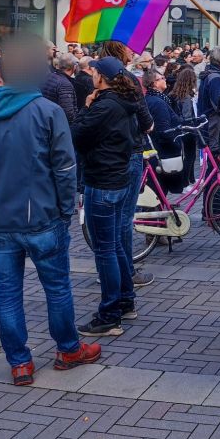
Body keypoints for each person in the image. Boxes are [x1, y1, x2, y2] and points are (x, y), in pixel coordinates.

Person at [0, 35, 99, 386]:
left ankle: (20, 362)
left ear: (1, 75)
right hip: (42, 217)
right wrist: (66, 209)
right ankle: (67, 349)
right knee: (57, 287)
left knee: (8, 290)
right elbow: (65, 168)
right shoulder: (47, 112)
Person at [71, 57, 140, 336]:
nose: (91, 76)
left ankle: (110, 313)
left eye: (94, 72)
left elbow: (77, 135)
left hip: (103, 181)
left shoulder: (104, 106)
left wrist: (85, 109)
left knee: (105, 249)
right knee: (114, 245)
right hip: (118, 176)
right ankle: (124, 300)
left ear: (102, 77)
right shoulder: (123, 103)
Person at [97, 41, 154, 288]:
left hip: (102, 156)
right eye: (128, 48)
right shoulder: (128, 79)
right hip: (128, 152)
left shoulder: (96, 85)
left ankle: (111, 270)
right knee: (123, 218)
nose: (133, 51)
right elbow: (147, 122)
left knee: (108, 219)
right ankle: (126, 273)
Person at [143, 69, 184, 193]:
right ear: (154, 83)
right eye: (162, 78)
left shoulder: (152, 99)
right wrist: (176, 144)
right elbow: (164, 130)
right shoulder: (158, 102)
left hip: (156, 150)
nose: (165, 79)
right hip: (162, 154)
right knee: (160, 191)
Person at [197, 46, 220, 156]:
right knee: (214, 161)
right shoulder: (215, 77)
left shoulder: (211, 73)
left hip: (209, 122)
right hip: (213, 125)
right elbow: (219, 104)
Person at [168, 66, 200, 184]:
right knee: (190, 155)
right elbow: (187, 116)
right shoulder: (186, 97)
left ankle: (190, 179)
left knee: (189, 155)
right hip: (188, 129)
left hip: (181, 128)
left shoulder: (176, 93)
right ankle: (185, 182)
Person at [42, 52, 77, 125]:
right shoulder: (65, 84)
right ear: (74, 67)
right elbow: (68, 114)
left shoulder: (50, 76)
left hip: (47, 120)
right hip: (57, 124)